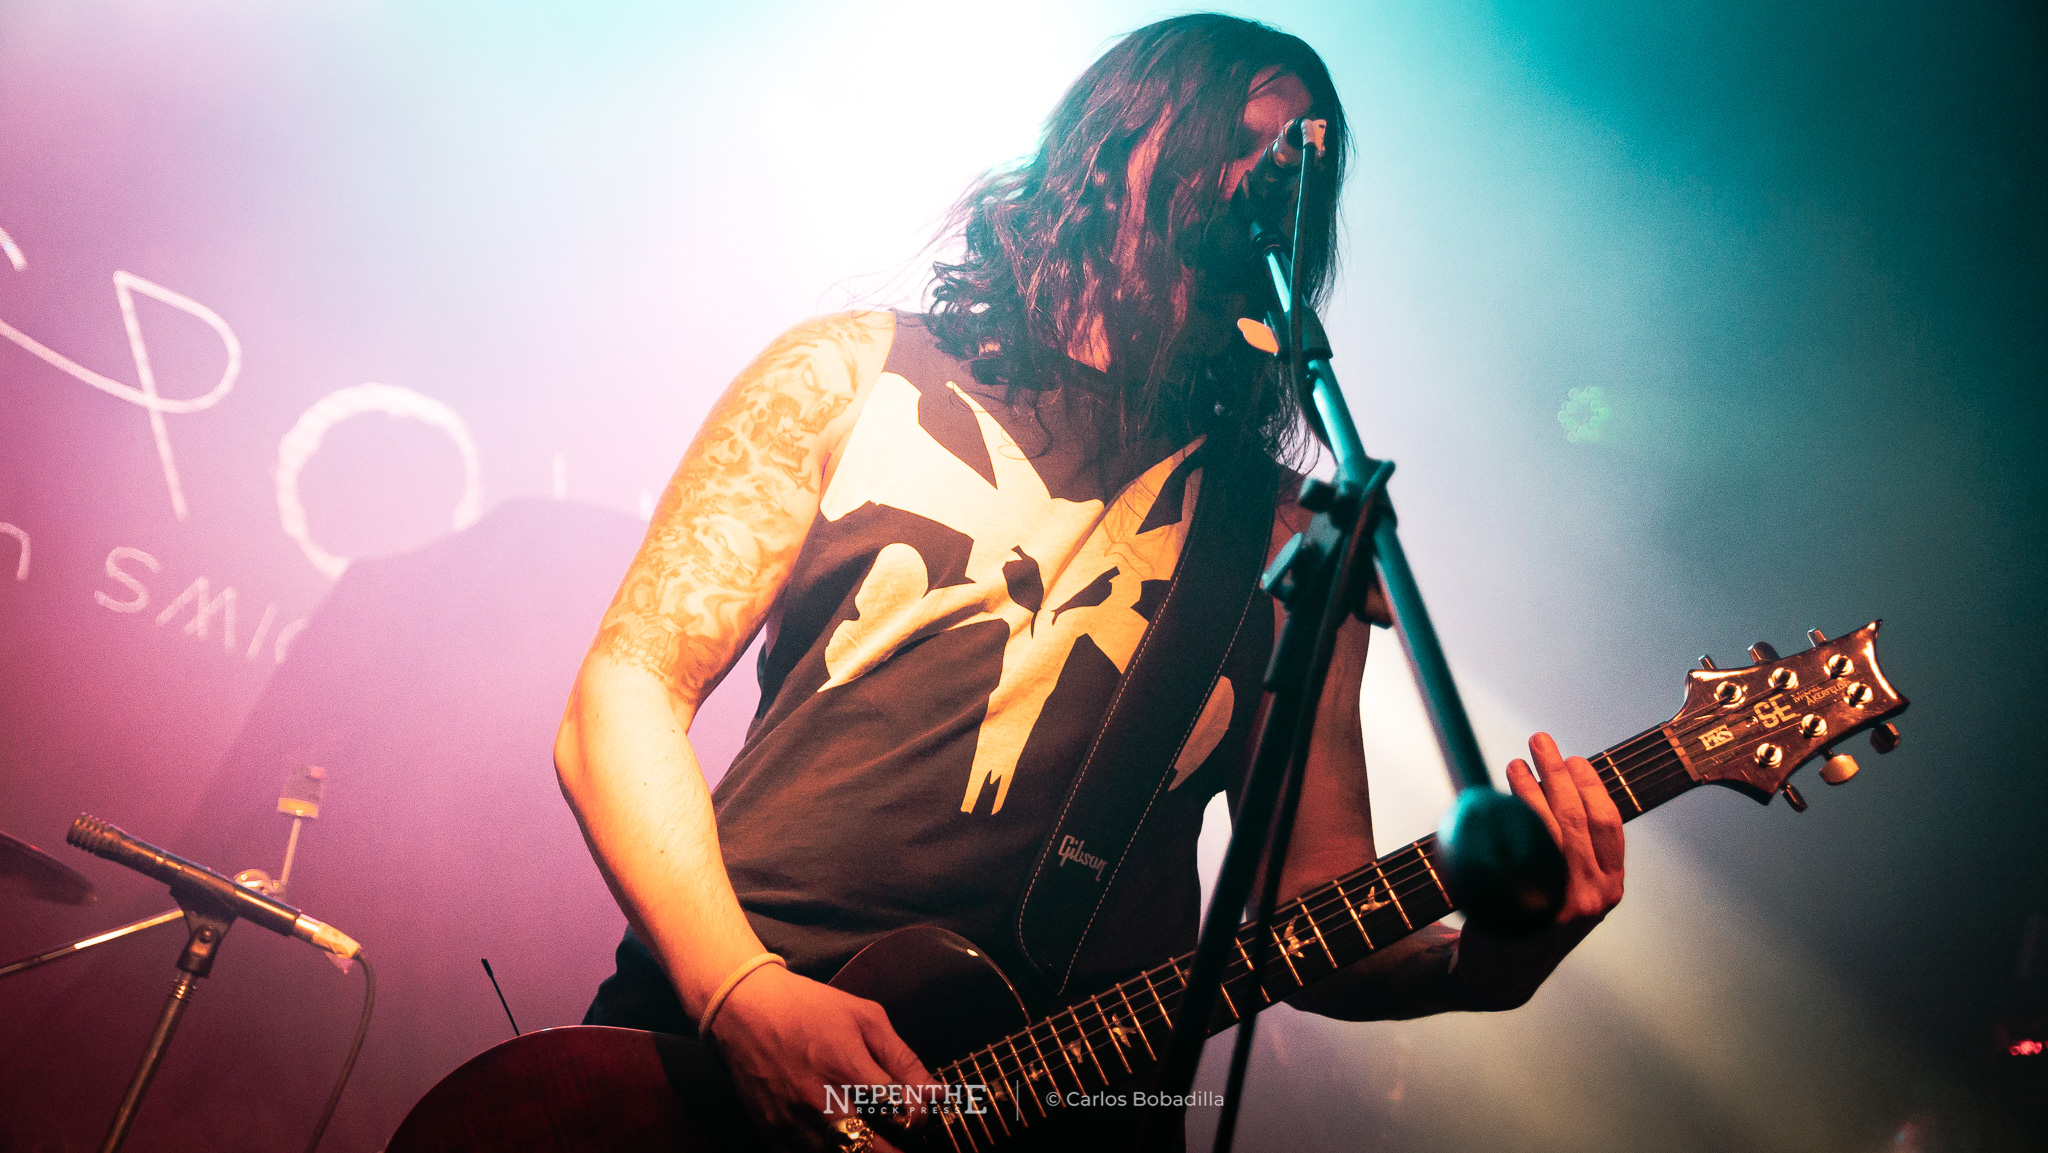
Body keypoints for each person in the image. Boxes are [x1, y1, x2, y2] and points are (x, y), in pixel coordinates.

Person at [554, 14, 1625, 1152]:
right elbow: (621, 696)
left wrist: (1479, 968)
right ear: (1112, 146)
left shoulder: (1285, 536)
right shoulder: (848, 373)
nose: (1259, 179)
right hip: (712, 1064)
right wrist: (738, 992)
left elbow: (1314, 909)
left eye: (1293, 165)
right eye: (1234, 139)